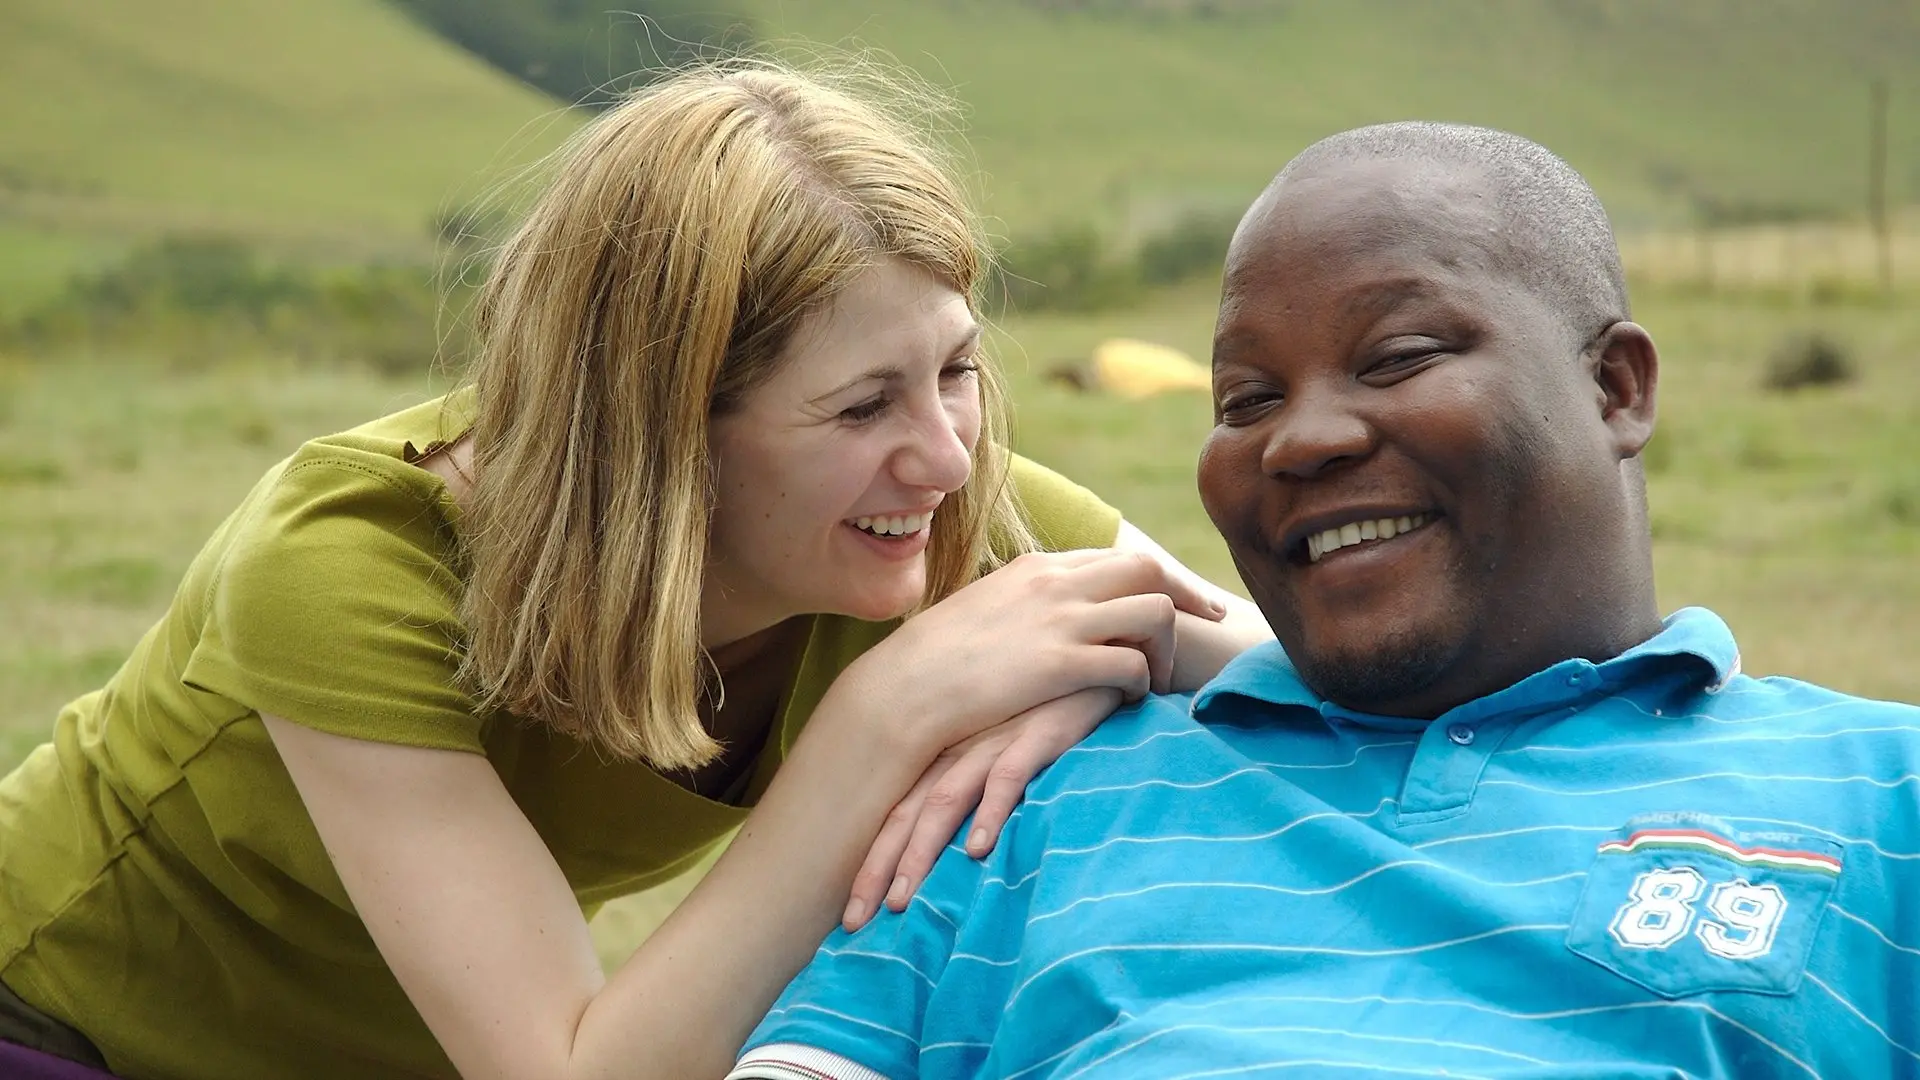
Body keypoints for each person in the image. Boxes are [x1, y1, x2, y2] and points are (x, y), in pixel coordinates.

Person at [0, 62, 1273, 1080]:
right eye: (860, 407)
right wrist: (885, 719)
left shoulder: (940, 510)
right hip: (73, 1024)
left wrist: (1092, 670)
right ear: (665, 433)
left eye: (954, 368)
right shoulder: (345, 568)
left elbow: (1294, 672)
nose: (945, 458)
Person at [728, 122, 1920, 1079]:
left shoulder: (1883, 796)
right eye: (1244, 400)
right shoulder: (1032, 796)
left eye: (1396, 358)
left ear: (1613, 387)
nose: (1299, 440)